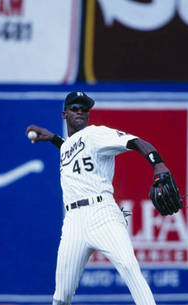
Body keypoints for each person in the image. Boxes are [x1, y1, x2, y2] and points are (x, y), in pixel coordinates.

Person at [26, 91, 179, 305]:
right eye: (74, 108)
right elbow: (72, 151)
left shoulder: (96, 134)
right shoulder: (68, 146)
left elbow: (135, 141)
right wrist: (53, 139)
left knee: (129, 267)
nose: (80, 111)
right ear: (64, 114)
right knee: (61, 297)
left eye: (84, 109)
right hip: (73, 223)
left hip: (102, 213)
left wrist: (158, 163)